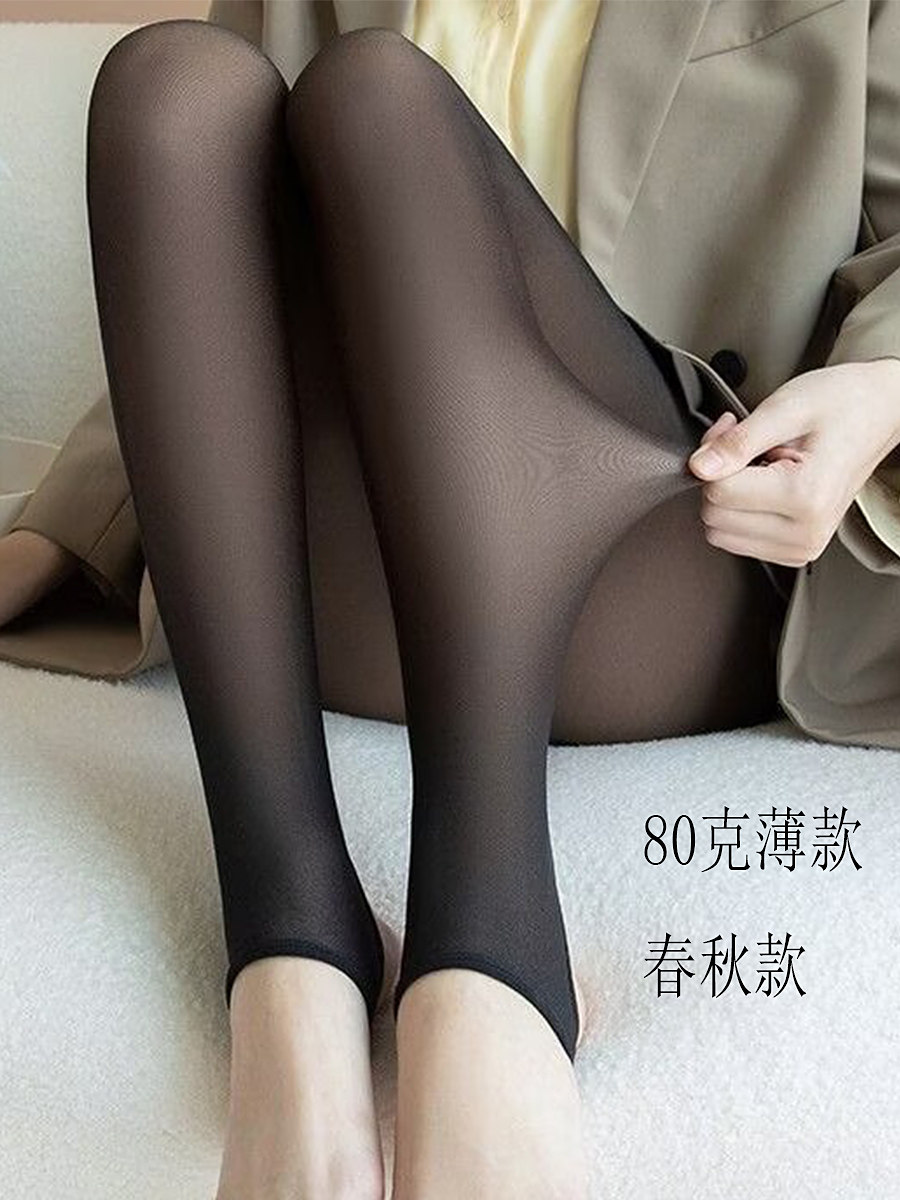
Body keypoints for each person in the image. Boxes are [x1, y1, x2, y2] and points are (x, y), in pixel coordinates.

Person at [2, 2, 900, 1197]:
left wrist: (880, 397)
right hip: (367, 563)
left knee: (377, 98)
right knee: (170, 89)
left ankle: (492, 953)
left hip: (665, 543)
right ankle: (290, 948)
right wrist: (63, 533)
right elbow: (215, 270)